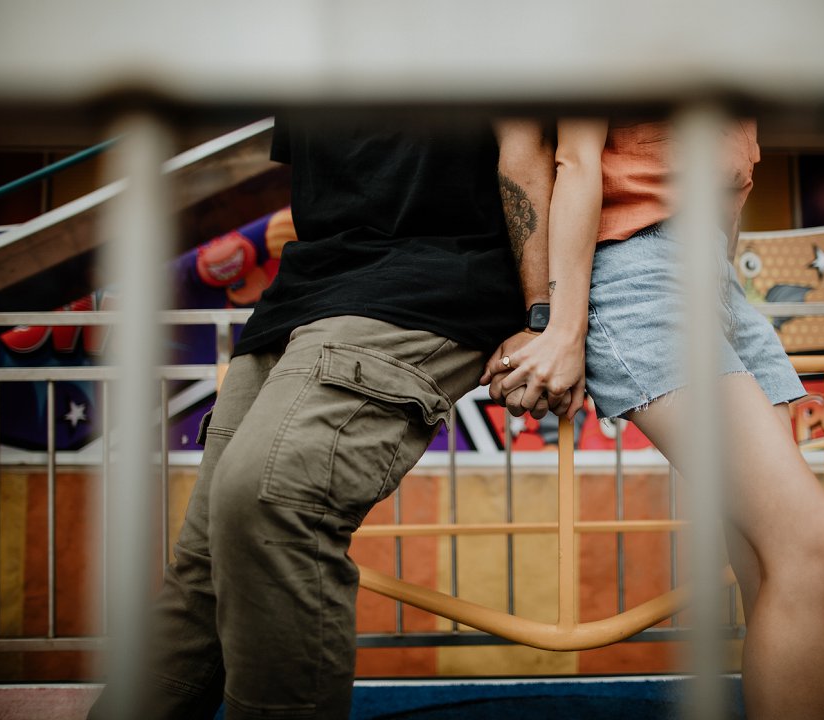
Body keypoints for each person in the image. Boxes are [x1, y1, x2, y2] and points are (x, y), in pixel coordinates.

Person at [88, 115, 556, 720]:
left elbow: (526, 147)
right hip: (301, 293)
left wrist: (543, 316)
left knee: (269, 500)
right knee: (207, 562)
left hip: (427, 284)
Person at [483, 118, 824, 720]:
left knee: (782, 565)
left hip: (716, 281)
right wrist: (559, 326)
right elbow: (575, 161)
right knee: (820, 549)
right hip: (639, 270)